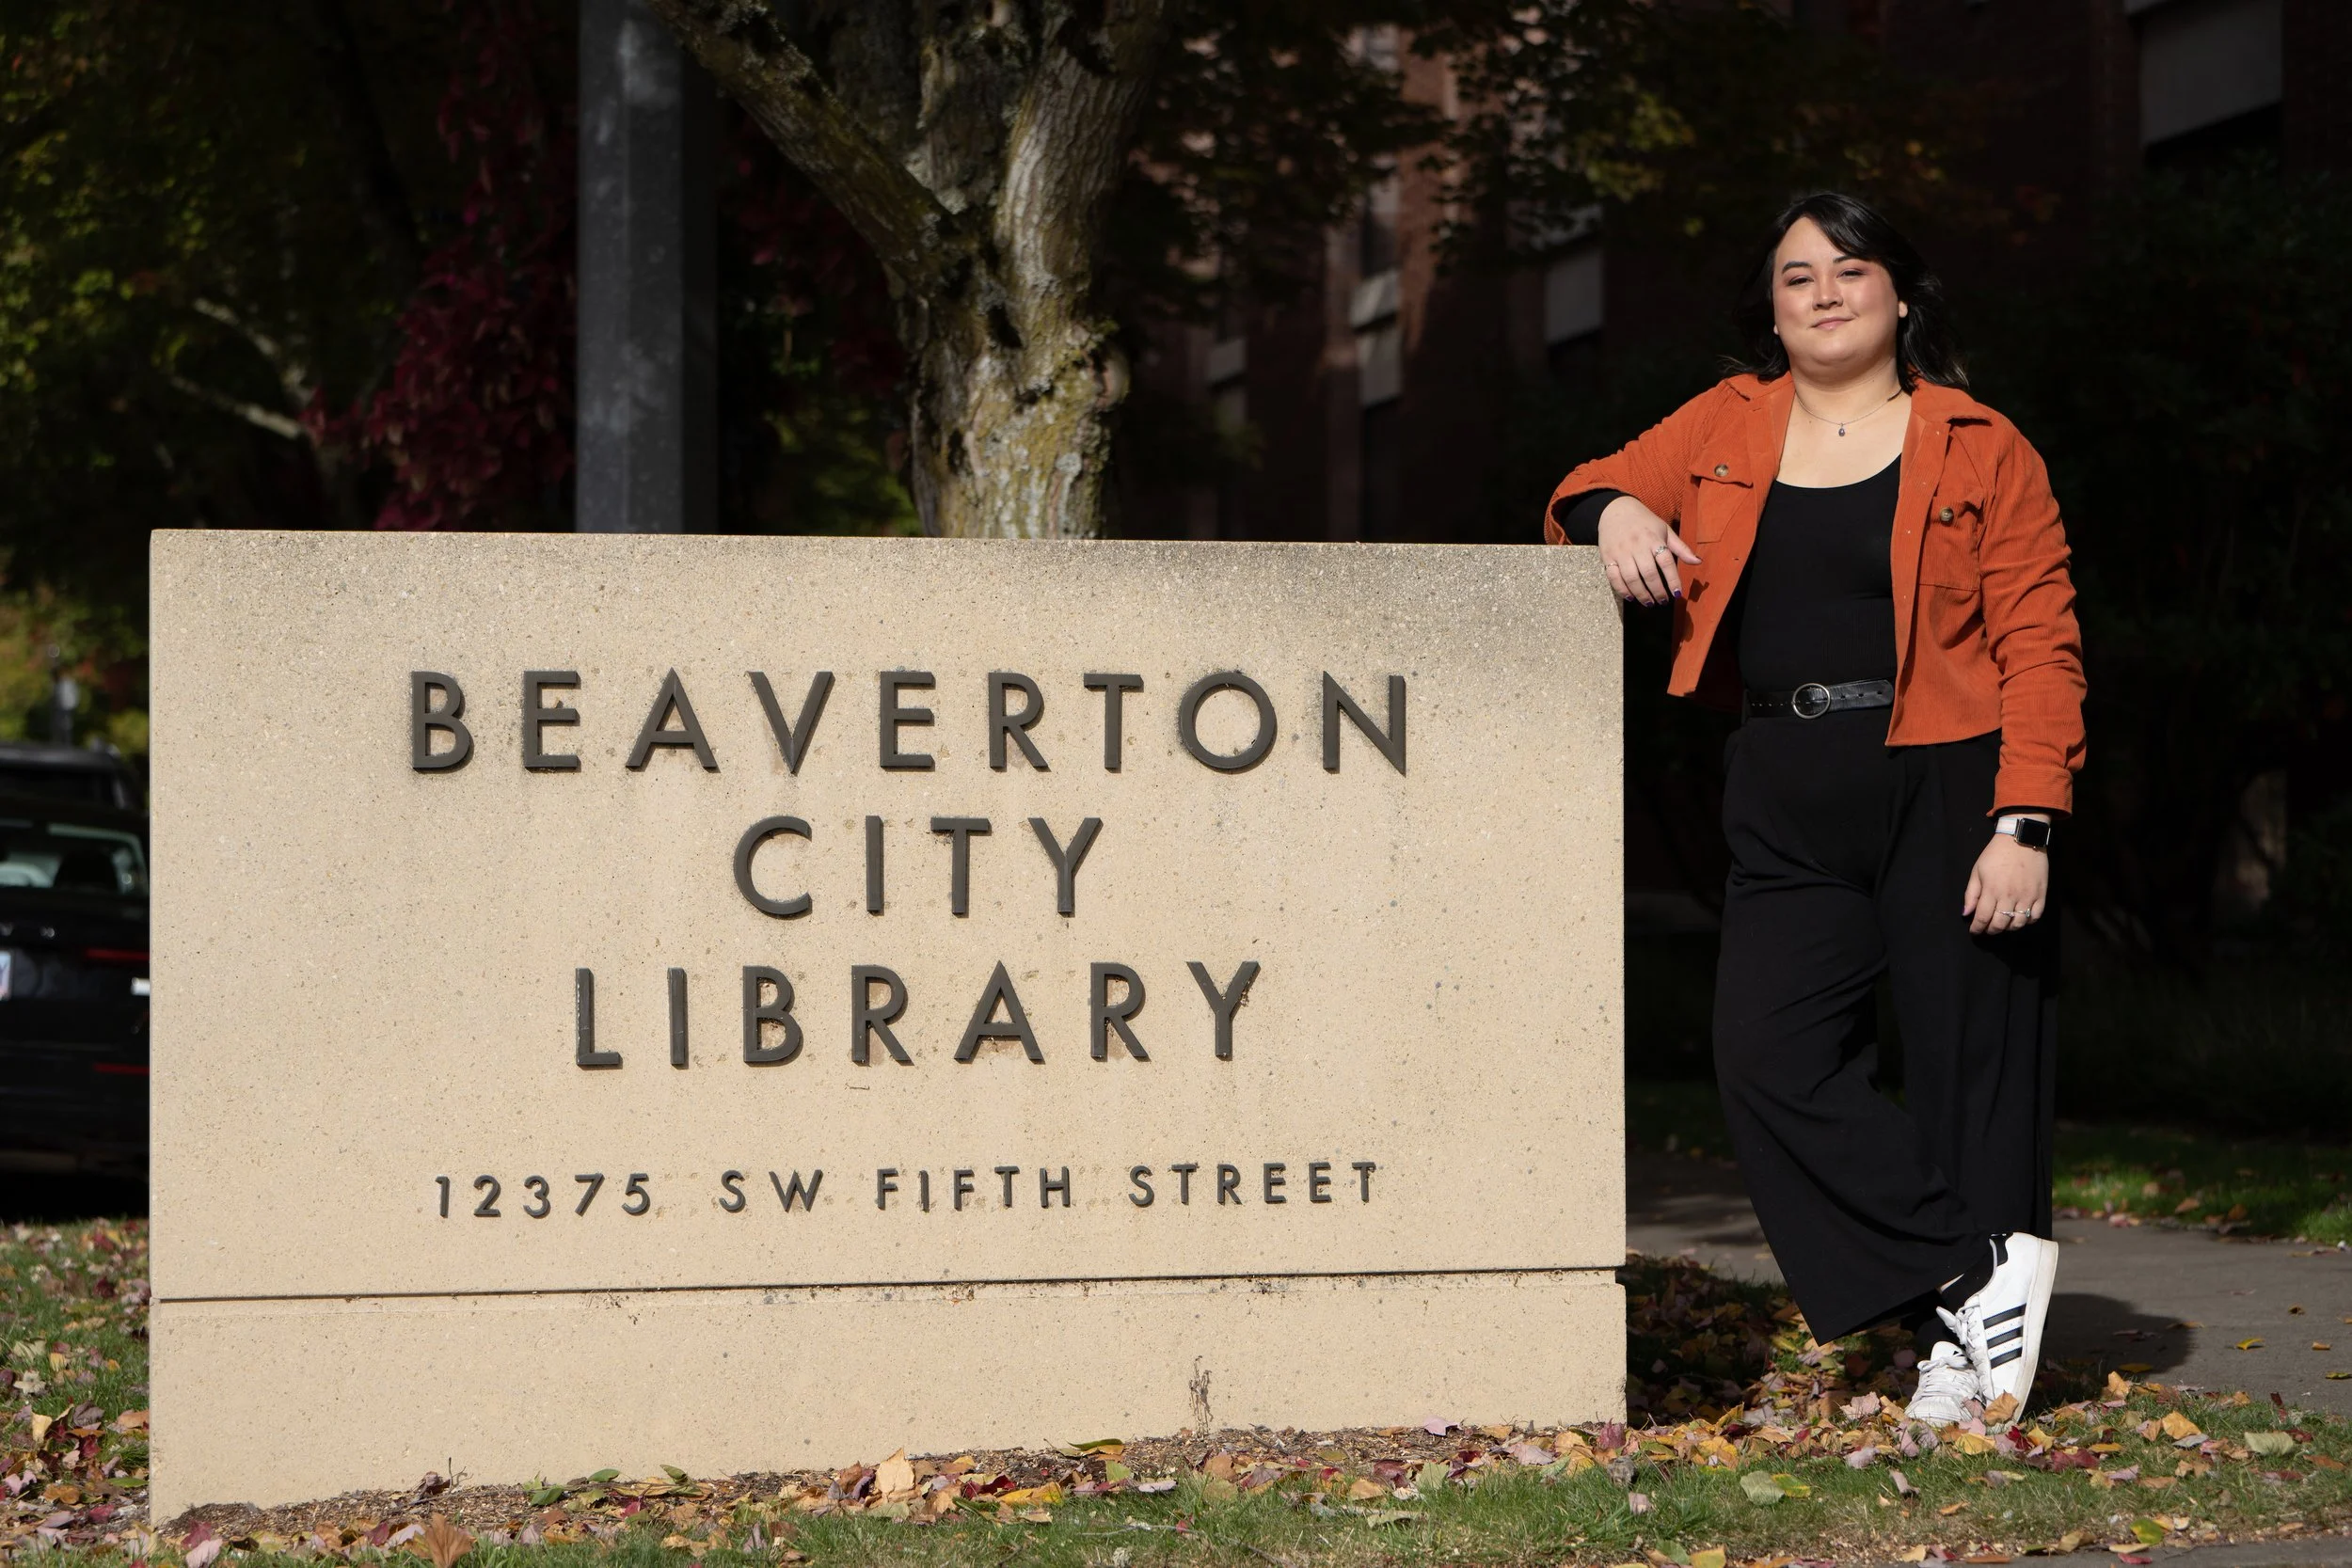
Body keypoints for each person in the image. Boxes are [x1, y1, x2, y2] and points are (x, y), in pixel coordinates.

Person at [1544, 193, 2085, 1429]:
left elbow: (2042, 643)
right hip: (1783, 777)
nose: (1826, 292)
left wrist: (2028, 817)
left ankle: (1966, 1352)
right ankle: (1971, 1262)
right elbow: (1578, 488)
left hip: (1950, 768)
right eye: (1798, 276)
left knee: (1969, 1068)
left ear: (1900, 294)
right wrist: (1620, 511)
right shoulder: (1729, 422)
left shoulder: (1981, 443)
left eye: (1851, 268)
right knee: (1765, 1055)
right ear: (1772, 310)